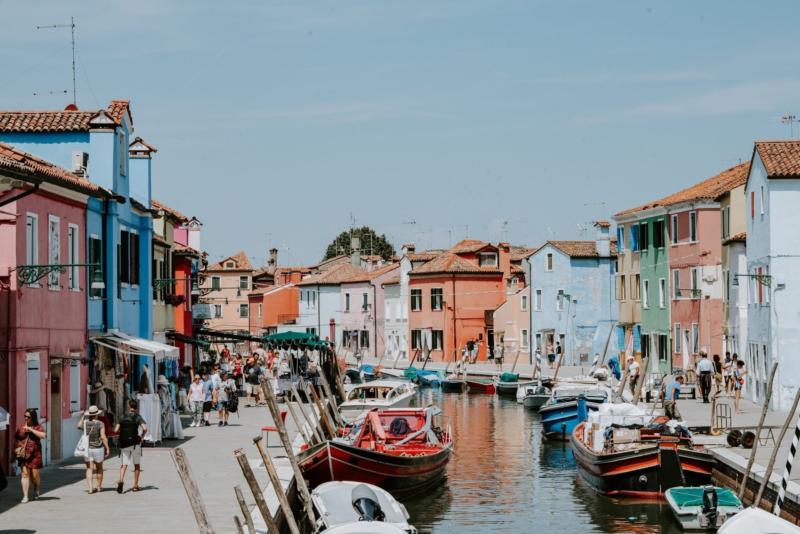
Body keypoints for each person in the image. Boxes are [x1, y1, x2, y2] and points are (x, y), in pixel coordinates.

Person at [114, 399, 147, 493]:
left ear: (129, 407)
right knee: (136, 465)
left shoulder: (122, 416)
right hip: (135, 444)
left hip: (124, 443)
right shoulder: (137, 417)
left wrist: (122, 432)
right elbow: (145, 428)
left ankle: (121, 480)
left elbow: (116, 430)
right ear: (136, 407)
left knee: (124, 464)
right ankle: (135, 486)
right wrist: (142, 436)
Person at [15, 408, 45, 503]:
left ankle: (36, 489)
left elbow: (43, 435)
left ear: (33, 417)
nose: (26, 418)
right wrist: (16, 450)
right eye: (25, 416)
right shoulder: (21, 427)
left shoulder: (37, 427)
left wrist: (31, 430)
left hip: (35, 454)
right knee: (24, 475)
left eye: (28, 417)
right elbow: (16, 438)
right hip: (23, 454)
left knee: (35, 476)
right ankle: (25, 496)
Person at [78, 406, 109, 494]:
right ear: (96, 414)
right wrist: (107, 448)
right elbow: (103, 437)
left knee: (89, 468)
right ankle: (99, 487)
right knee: (99, 468)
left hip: (87, 449)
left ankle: (90, 489)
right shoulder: (100, 423)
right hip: (98, 449)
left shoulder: (85, 423)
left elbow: (78, 426)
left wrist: (83, 416)